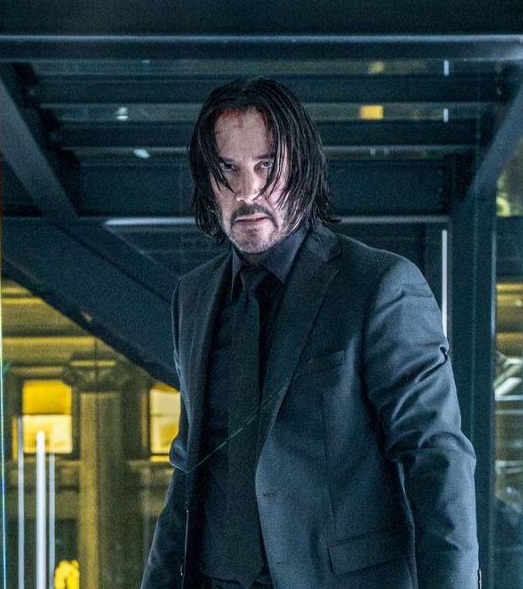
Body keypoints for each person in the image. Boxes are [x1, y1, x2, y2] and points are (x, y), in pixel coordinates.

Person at [141, 77, 478, 589]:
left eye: (266, 166)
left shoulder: (378, 285)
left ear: (301, 168)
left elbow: (435, 456)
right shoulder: (194, 296)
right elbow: (190, 466)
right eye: (228, 169)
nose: (248, 191)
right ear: (207, 181)